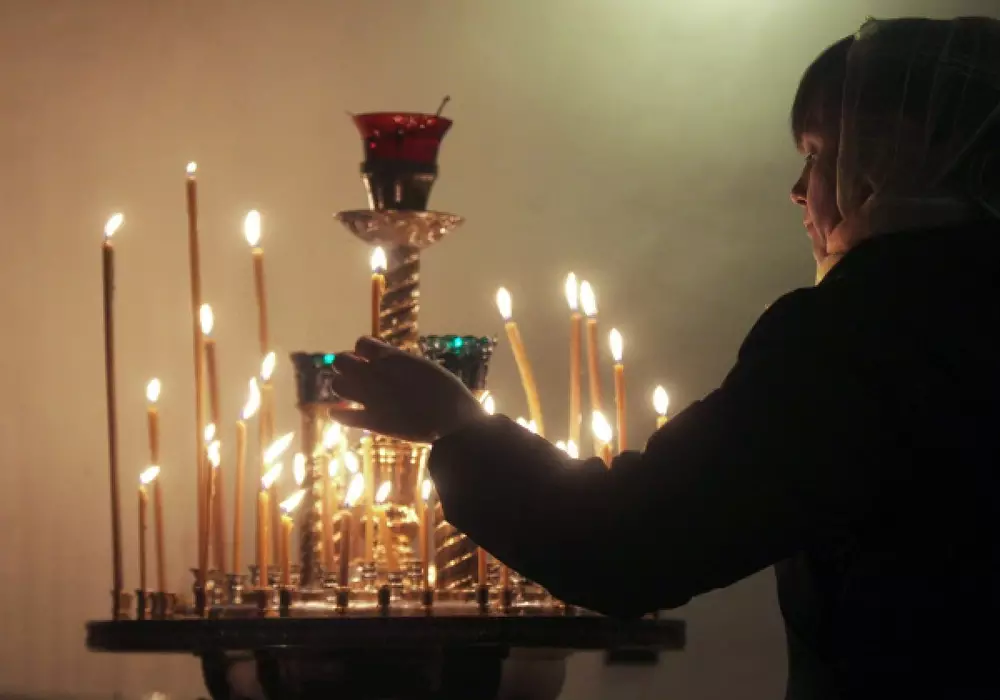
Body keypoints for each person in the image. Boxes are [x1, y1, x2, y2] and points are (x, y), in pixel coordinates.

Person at [330, 17, 1000, 699]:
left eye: (818, 152)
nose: (798, 189)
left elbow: (634, 540)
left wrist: (458, 426)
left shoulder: (856, 333)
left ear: (891, 152)